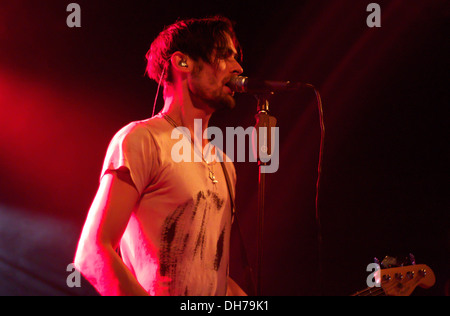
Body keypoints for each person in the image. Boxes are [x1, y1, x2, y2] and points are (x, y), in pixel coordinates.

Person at [74, 16, 246, 296]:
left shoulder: (225, 163)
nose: (238, 67)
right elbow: (93, 252)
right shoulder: (142, 140)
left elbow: (211, 279)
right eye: (223, 56)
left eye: (236, 58)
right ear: (182, 63)